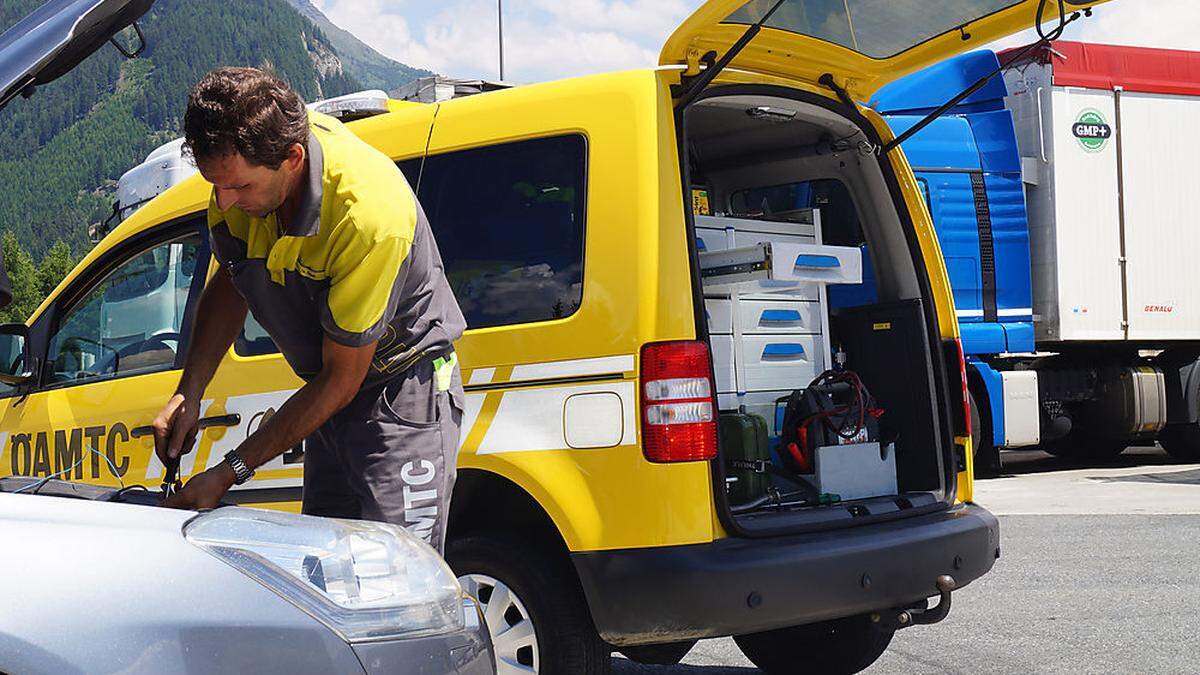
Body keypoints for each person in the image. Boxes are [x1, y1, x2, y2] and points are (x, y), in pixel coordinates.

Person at [155, 66, 466, 553]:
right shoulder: (237, 183)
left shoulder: (368, 216)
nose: (224, 201)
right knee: (329, 572)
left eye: (238, 188)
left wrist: (229, 471)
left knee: (405, 575)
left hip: (402, 390)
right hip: (329, 392)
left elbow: (343, 379)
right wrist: (188, 393)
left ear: (293, 159)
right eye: (215, 185)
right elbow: (233, 282)